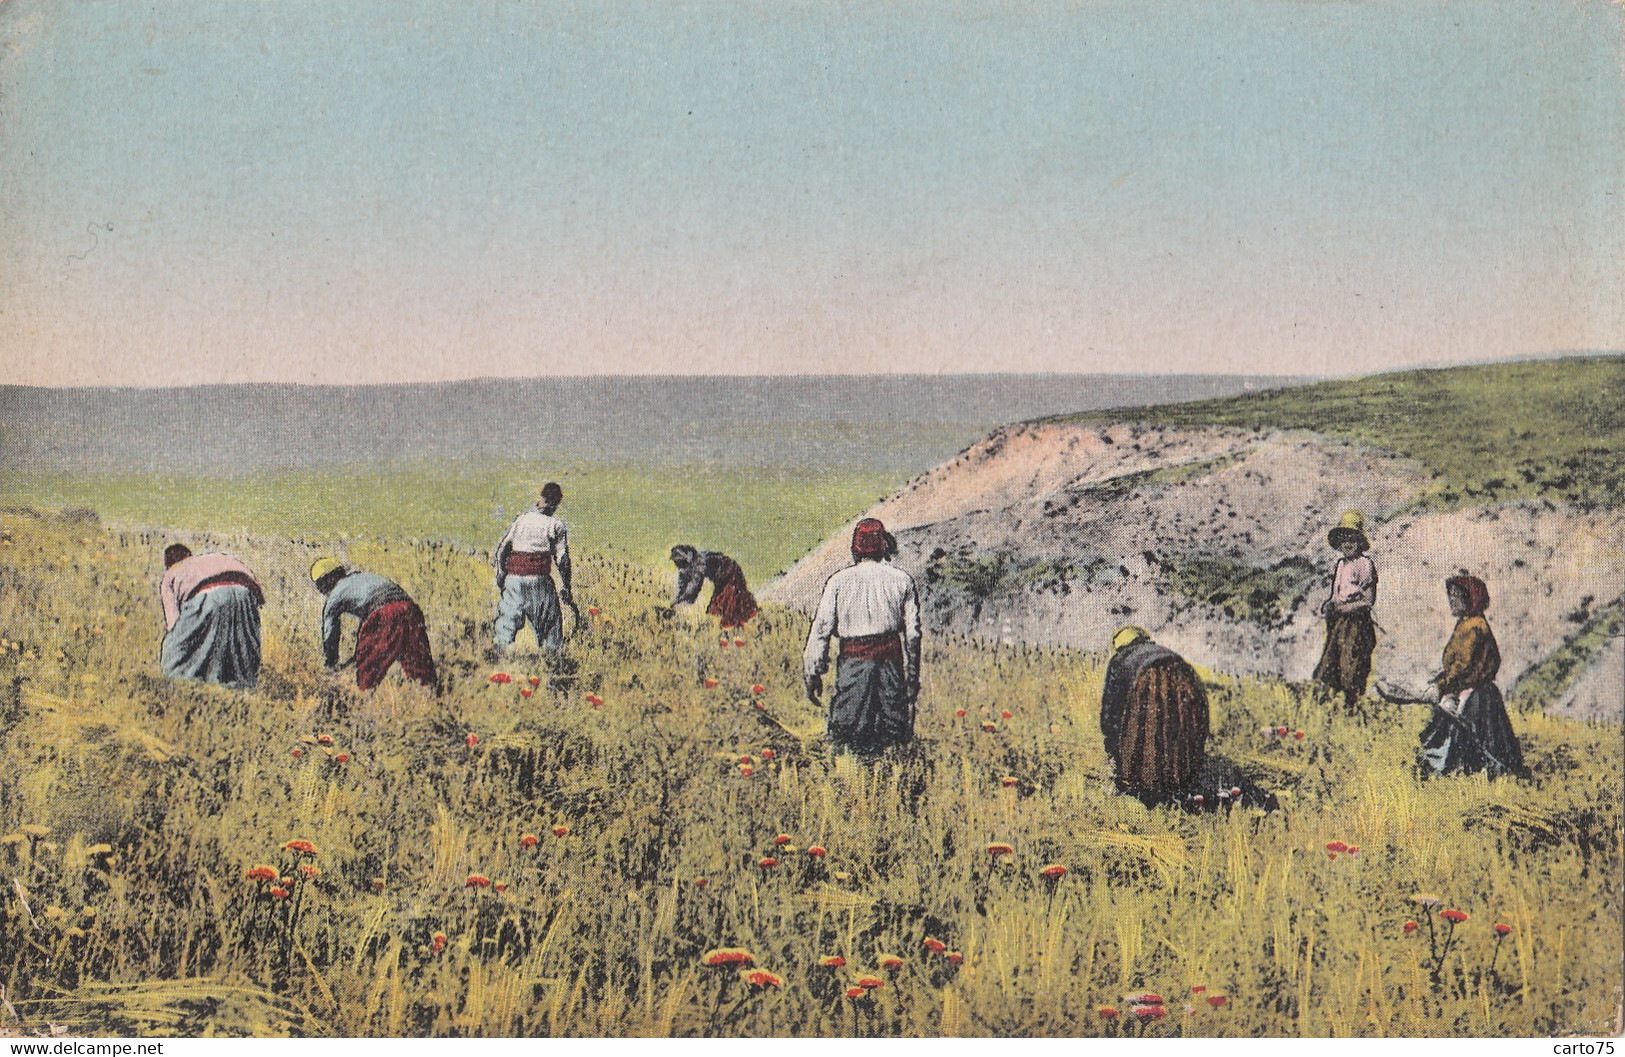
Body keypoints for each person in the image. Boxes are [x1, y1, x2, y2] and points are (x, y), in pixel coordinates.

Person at [803, 518, 922, 757]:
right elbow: (913, 635)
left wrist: (812, 671)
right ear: (883, 546)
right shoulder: (902, 580)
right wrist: (912, 676)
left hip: (853, 665)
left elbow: (821, 630)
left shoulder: (838, 582)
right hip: (890, 664)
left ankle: (849, 780)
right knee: (891, 735)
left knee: (847, 734)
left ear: (855, 547)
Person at [1417, 572, 1527, 779]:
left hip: (1474, 693)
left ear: (1469, 598)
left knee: (1472, 739)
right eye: (1450, 595)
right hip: (1476, 690)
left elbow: (1462, 665)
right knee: (1490, 741)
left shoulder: (1472, 626)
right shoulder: (1469, 622)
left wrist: (1441, 684)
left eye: (1456, 596)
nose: (1451, 601)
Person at [1099, 626, 1210, 806]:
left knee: (1148, 731)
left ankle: (1146, 789)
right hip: (1186, 678)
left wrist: (1111, 741)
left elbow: (1111, 708)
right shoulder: (1165, 654)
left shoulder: (1120, 659)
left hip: (1147, 681)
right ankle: (1178, 782)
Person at [310, 557, 436, 691]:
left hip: (385, 614)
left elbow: (330, 632)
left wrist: (330, 663)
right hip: (410, 610)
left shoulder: (335, 596)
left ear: (324, 583)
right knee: (419, 666)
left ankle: (365, 702)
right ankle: (432, 698)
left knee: (368, 671)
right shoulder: (362, 577)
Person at [158, 544, 264, 688]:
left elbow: (174, 624)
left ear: (168, 564)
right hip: (245, 592)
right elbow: (258, 596)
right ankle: (242, 688)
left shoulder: (171, 574)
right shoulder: (210, 559)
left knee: (173, 651)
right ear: (189, 555)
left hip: (207, 596)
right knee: (240, 649)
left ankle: (182, 687)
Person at [491, 483, 575, 652]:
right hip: (539, 581)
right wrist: (566, 586)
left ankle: (499, 661)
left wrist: (501, 576)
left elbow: (502, 550)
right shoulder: (556, 525)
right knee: (550, 627)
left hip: (513, 580)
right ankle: (551, 663)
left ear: (541, 499)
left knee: (505, 626)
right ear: (556, 503)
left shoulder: (522, 519)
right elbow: (562, 559)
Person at [1311, 510, 1378, 714]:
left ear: (1359, 541)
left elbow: (1368, 600)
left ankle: (1353, 709)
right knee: (1331, 663)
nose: (1348, 544)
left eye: (1352, 538)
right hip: (1339, 622)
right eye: (1344, 539)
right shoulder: (1341, 565)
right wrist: (1330, 605)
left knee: (1352, 664)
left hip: (1357, 623)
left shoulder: (1365, 564)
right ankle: (1329, 711)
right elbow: (1336, 594)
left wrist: (1347, 608)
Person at [668, 545, 758, 628]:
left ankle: (739, 624)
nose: (677, 564)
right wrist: (675, 602)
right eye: (676, 562)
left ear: (685, 559)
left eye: (678, 561)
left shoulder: (699, 562)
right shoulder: (685, 568)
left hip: (729, 572)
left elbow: (694, 587)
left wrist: (678, 603)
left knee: (726, 603)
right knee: (724, 605)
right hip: (722, 578)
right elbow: (682, 586)